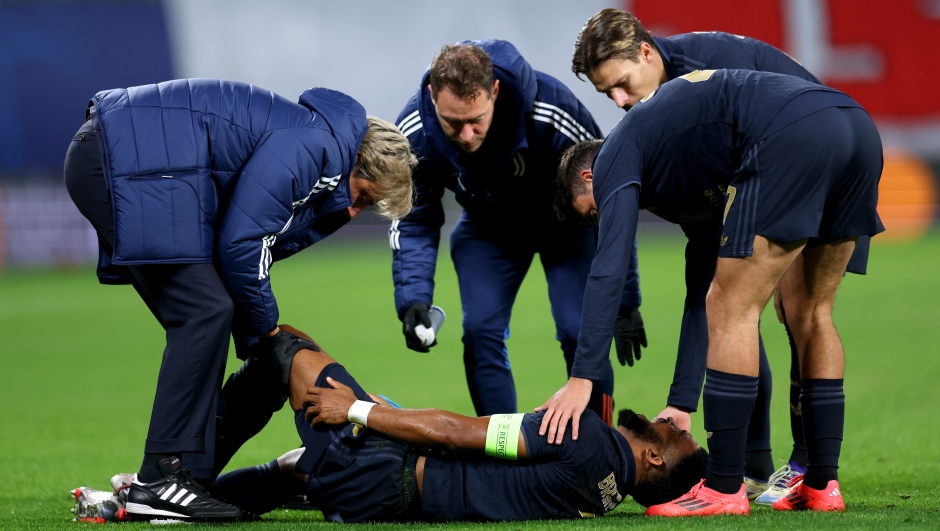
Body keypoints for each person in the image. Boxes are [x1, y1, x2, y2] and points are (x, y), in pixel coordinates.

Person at [540, 7, 871, 502]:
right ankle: (820, 481)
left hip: (791, 140)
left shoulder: (622, 148)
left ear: (592, 178)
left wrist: (582, 378)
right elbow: (701, 280)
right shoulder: (686, 162)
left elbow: (607, 268)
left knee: (733, 308)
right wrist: (680, 403)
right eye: (605, 93)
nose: (618, 101)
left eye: (594, 213)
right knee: (807, 311)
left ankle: (724, 488)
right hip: (855, 129)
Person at [64, 79, 416, 520]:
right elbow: (242, 243)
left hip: (127, 154)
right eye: (361, 197)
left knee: (208, 315)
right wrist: (267, 331)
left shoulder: (315, 138)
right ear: (360, 164)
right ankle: (162, 478)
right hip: (123, 157)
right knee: (205, 313)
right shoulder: (320, 149)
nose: (350, 211)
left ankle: (179, 476)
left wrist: (260, 343)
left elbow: (242, 241)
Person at [389, 40, 644, 422]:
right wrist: (413, 300)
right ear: (432, 96)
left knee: (581, 332)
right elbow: (413, 217)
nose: (467, 135)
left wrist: (624, 300)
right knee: (479, 332)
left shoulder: (553, 112)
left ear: (494, 92)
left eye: (476, 119)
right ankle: (502, 460)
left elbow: (611, 202)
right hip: (487, 228)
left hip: (566, 226)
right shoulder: (414, 133)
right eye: (453, 123)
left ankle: (596, 456)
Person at [208, 335, 708, 522]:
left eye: (680, 435)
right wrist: (394, 414)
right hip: (393, 498)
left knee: (287, 348)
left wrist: (358, 412)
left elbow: (458, 434)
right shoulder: (608, 493)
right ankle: (155, 501)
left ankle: (177, 475)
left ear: (656, 458)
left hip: (384, 471)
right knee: (294, 470)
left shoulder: (586, 436)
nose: (674, 421)